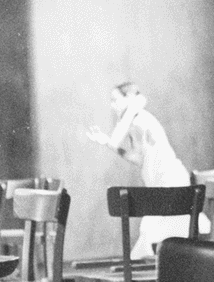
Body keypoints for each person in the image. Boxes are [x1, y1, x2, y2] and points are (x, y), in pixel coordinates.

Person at [87, 82, 203, 256]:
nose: (113, 106)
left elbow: (117, 138)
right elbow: (138, 158)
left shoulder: (141, 119)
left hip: (172, 181)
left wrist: (132, 109)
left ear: (130, 98)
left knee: (156, 233)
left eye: (115, 100)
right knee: (154, 234)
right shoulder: (135, 121)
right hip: (160, 184)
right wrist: (108, 143)